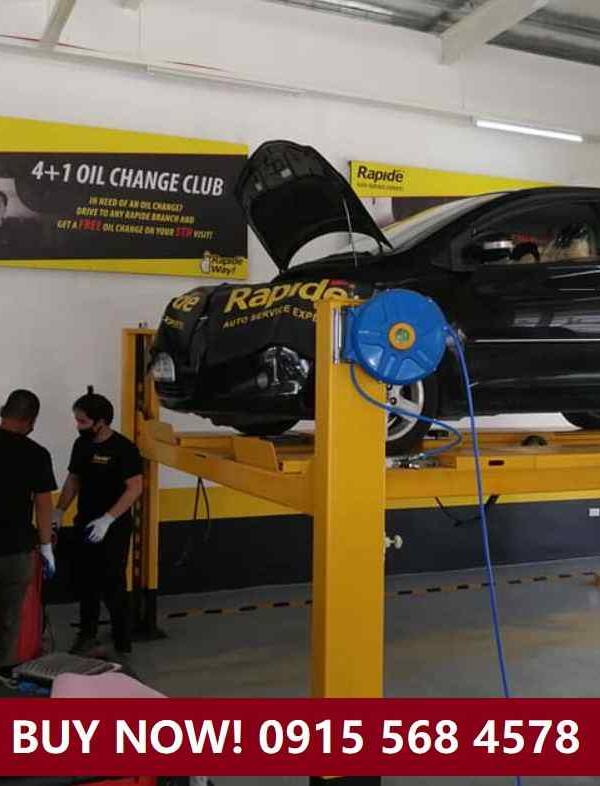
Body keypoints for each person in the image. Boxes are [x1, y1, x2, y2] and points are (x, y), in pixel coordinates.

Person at [53, 390, 143, 660]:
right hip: (85, 523)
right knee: (86, 581)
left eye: (83, 421)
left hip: (113, 527)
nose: (78, 425)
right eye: (77, 420)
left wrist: (108, 519)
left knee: (113, 582)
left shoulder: (124, 449)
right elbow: (74, 479)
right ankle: (87, 634)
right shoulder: (82, 445)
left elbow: (134, 488)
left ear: (101, 422)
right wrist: (59, 510)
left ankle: (122, 640)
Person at [0, 389, 56, 669]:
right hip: (15, 552)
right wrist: (46, 548)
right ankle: (5, 670)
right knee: (10, 617)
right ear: (30, 421)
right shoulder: (36, 454)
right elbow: (43, 505)